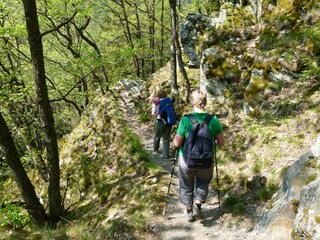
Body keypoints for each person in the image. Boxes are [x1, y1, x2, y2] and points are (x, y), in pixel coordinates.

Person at [173, 89, 225, 222]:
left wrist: (175, 140)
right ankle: (198, 205)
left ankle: (189, 210)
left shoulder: (186, 120)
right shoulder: (213, 120)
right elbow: (221, 143)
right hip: (206, 160)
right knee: (203, 181)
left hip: (186, 160)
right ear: (205, 102)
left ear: (192, 102)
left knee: (186, 184)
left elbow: (177, 143)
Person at [152, 89, 172, 159]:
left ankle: (156, 149)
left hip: (160, 122)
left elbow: (153, 113)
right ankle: (166, 155)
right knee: (166, 139)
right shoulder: (169, 101)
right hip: (169, 122)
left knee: (157, 136)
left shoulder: (157, 102)